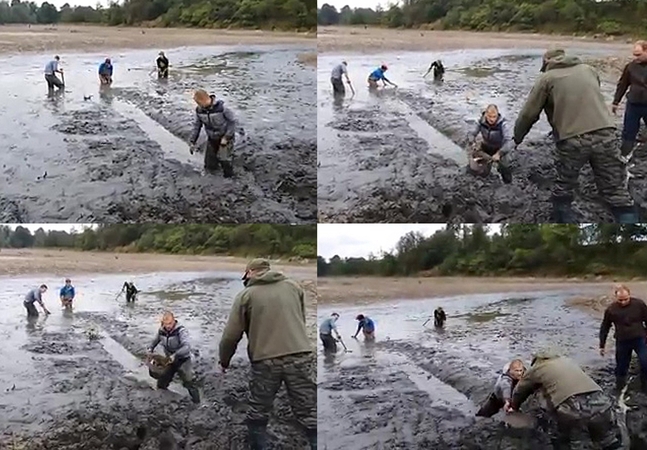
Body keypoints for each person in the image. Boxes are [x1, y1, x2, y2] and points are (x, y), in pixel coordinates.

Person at [513, 48, 637, 223]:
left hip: (573, 140)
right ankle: (632, 233)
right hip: (606, 133)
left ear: (546, 62)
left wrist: (516, 139)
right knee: (616, 191)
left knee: (564, 186)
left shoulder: (546, 78)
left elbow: (528, 115)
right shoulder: (588, 70)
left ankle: (562, 227)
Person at [219, 259, 316, 450]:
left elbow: (231, 336)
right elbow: (301, 320)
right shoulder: (294, 287)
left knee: (258, 411)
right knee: (309, 411)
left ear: (249, 272)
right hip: (301, 354)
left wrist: (224, 361)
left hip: (265, 361)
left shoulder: (246, 295)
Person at [507, 349, 623, 450]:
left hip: (573, 407)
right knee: (607, 439)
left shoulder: (537, 368)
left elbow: (519, 391)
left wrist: (514, 407)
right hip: (601, 400)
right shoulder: (567, 361)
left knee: (561, 438)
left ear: (536, 361)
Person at [599, 284, 647, 392]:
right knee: (621, 367)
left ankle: (644, 387)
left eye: (626, 299)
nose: (623, 302)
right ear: (616, 298)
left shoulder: (639, 304)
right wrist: (602, 345)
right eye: (620, 300)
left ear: (629, 295)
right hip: (622, 341)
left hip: (639, 338)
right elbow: (605, 327)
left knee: (645, 362)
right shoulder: (611, 309)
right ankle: (619, 388)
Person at [147, 311, 200, 404]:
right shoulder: (161, 331)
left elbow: (187, 347)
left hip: (183, 360)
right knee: (162, 382)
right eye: (166, 324)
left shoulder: (181, 331)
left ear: (174, 321)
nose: (168, 326)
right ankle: (163, 399)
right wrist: (150, 349)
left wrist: (175, 355)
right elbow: (154, 341)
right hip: (169, 361)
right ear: (163, 323)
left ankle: (197, 402)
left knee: (189, 383)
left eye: (170, 323)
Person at [189, 89, 238, 178]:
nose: (198, 105)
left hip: (225, 137)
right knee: (209, 165)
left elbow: (233, 122)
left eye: (198, 103)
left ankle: (230, 178)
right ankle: (212, 178)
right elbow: (197, 126)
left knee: (225, 160)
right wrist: (192, 141)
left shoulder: (222, 108)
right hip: (212, 138)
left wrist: (227, 137)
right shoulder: (199, 111)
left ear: (204, 100)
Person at [612, 41, 647, 161]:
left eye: (639, 54)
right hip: (634, 103)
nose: (636, 58)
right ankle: (624, 156)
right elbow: (622, 84)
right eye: (634, 55)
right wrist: (616, 102)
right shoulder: (631, 66)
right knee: (628, 131)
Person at [467, 104, 514, 184]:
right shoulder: (481, 122)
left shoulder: (503, 124)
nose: (492, 119)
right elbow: (471, 133)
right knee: (478, 162)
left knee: (505, 168)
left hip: (500, 148)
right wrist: (472, 142)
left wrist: (499, 153)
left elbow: (509, 141)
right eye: (490, 116)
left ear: (497, 115)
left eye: (494, 116)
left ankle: (507, 182)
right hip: (487, 146)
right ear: (486, 115)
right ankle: (484, 176)